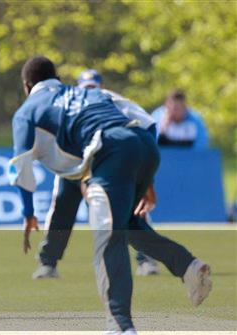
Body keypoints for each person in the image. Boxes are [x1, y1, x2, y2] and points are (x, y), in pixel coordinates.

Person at [9, 56, 212, 335]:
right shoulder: (90, 93)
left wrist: (28, 213)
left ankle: (119, 327)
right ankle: (189, 267)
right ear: (57, 78)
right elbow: (146, 120)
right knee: (127, 227)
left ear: (27, 86)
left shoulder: (27, 111)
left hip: (108, 153)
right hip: (143, 145)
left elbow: (20, 167)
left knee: (107, 236)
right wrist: (147, 177)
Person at [33, 69, 160, 280]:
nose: (90, 89)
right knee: (62, 208)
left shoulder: (110, 98)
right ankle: (48, 263)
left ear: (100, 86)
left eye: (93, 86)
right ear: (78, 87)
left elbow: (147, 124)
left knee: (129, 209)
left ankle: (146, 258)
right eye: (86, 86)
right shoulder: (67, 101)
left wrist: (146, 173)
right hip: (75, 166)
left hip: (108, 163)